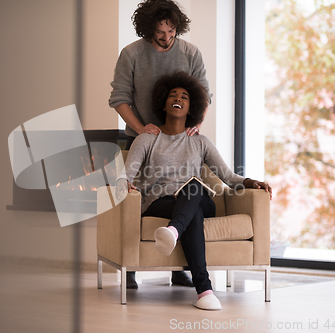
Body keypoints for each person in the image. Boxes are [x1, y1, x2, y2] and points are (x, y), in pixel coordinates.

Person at [116, 71, 272, 310]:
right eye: (172, 95)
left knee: (193, 187)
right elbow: (127, 173)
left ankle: (174, 230)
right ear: (164, 103)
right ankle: (204, 290)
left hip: (196, 197)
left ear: (191, 108)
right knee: (193, 214)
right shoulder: (147, 139)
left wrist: (252, 182)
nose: (178, 98)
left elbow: (228, 177)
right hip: (161, 202)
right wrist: (124, 183)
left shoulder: (200, 142)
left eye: (185, 96)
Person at [109, 0, 211, 289]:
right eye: (160, 33)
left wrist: (195, 125)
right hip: (143, 140)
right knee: (137, 200)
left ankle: (179, 268)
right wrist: (143, 130)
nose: (166, 38)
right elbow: (119, 98)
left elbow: (204, 93)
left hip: (180, 140)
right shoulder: (132, 54)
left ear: (178, 26)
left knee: (185, 194)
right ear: (147, 29)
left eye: (171, 31)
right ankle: (130, 269)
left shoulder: (191, 53)